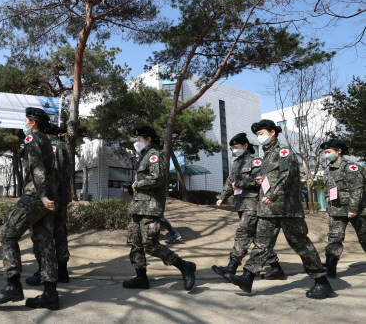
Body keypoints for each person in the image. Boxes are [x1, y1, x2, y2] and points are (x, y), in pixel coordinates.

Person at [226, 120, 333, 299]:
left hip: (286, 207)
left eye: (262, 133)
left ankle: (322, 282)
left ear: (273, 132)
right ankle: (247, 277)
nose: (259, 137)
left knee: (301, 244)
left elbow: (287, 174)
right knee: (262, 243)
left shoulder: (283, 151)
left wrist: (273, 193)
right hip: (268, 208)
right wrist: (262, 180)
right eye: (257, 135)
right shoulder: (266, 156)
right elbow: (273, 177)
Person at [0, 107, 58, 310]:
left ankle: (13, 285)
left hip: (36, 195)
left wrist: (42, 195)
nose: (25, 123)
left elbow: (37, 167)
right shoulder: (46, 139)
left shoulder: (33, 139)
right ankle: (50, 294)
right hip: (47, 196)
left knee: (8, 234)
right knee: (45, 243)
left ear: (33, 122)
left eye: (27, 120)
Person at [123, 126, 196, 291]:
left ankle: (185, 266)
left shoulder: (155, 156)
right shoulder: (143, 156)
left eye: (139, 139)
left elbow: (158, 178)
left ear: (148, 139)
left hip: (150, 207)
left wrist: (137, 184)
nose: (137, 142)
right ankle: (141, 277)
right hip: (138, 206)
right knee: (135, 243)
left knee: (150, 244)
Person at [212, 133, 284, 280]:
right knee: (258, 239)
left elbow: (257, 181)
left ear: (245, 146)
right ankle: (277, 269)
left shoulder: (256, 161)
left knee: (243, 233)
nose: (234, 150)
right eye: (232, 148)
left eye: (236, 147)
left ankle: (232, 266)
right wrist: (222, 196)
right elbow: (229, 181)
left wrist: (239, 184)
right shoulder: (236, 163)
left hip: (252, 203)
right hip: (241, 204)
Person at [26, 123, 71, 286]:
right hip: (59, 196)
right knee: (58, 232)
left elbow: (56, 170)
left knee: (46, 233)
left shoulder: (54, 146)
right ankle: (60, 271)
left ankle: (46, 271)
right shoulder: (58, 145)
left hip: (54, 197)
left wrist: (46, 194)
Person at [320, 138, 366, 278]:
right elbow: (328, 191)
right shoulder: (327, 169)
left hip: (356, 209)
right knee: (334, 238)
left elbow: (357, 189)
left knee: (364, 236)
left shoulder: (351, 167)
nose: (326, 154)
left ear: (339, 151)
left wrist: (353, 208)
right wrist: (328, 208)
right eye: (325, 152)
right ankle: (330, 265)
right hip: (336, 210)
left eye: (329, 152)